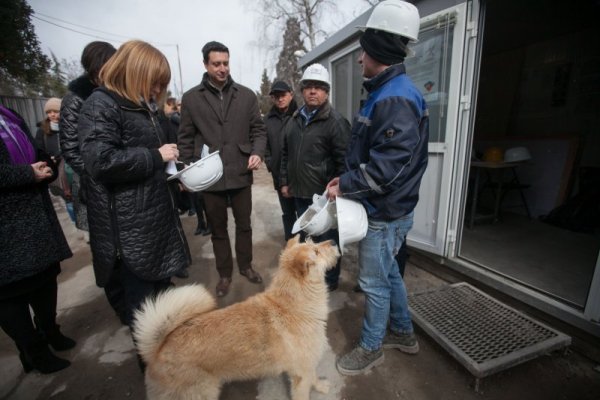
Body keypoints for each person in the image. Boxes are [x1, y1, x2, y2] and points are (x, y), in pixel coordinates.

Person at [326, 0, 429, 375]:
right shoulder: (390, 91)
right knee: (388, 275)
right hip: (392, 208)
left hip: (384, 213)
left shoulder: (394, 97)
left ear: (379, 52)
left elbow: (386, 170)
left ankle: (372, 346)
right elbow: (380, 157)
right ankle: (403, 333)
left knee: (373, 283)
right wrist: (346, 179)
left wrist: (345, 186)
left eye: (363, 52)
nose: (358, 60)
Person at [77, 40, 191, 331]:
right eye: (155, 82)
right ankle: (156, 372)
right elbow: (99, 161)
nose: (157, 90)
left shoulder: (140, 107)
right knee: (146, 320)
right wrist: (155, 155)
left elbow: (146, 160)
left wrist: (175, 174)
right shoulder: (101, 104)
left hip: (154, 227)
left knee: (164, 313)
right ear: (136, 72)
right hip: (130, 237)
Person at [178, 41, 267, 297]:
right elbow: (185, 137)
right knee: (218, 229)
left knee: (244, 225)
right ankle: (225, 274)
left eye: (226, 63)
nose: (222, 68)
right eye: (216, 64)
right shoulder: (192, 98)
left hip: (240, 170)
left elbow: (258, 131)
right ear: (205, 65)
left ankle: (246, 266)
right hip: (209, 177)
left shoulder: (246, 95)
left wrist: (257, 152)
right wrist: (186, 171)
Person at [0, 105, 75, 374]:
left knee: (44, 279)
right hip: (6, 226)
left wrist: (47, 165)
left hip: (34, 214)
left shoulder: (8, 114)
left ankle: (50, 331)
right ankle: (33, 351)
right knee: (11, 295)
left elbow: (33, 149)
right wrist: (27, 174)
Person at [280, 64, 351, 291]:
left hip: (324, 199)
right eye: (309, 86)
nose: (313, 91)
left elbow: (345, 162)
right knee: (307, 239)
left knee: (327, 242)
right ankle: (313, 275)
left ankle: (329, 281)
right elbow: (285, 154)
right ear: (301, 91)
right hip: (299, 193)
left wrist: (337, 190)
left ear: (327, 92)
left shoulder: (336, 123)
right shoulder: (294, 120)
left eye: (319, 87)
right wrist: (284, 181)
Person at [264, 80, 298, 240]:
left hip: (300, 174)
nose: (280, 99)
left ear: (291, 94)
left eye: (283, 95)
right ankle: (292, 245)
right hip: (279, 174)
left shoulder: (300, 114)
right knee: (288, 212)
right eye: (276, 96)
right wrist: (270, 163)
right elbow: (265, 146)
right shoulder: (268, 120)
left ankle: (306, 247)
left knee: (305, 212)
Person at [36, 97, 73, 221]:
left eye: (55, 111)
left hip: (72, 169)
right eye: (49, 112)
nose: (52, 114)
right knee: (67, 199)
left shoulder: (70, 125)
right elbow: (38, 150)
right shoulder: (42, 130)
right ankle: (77, 225)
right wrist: (48, 158)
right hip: (55, 171)